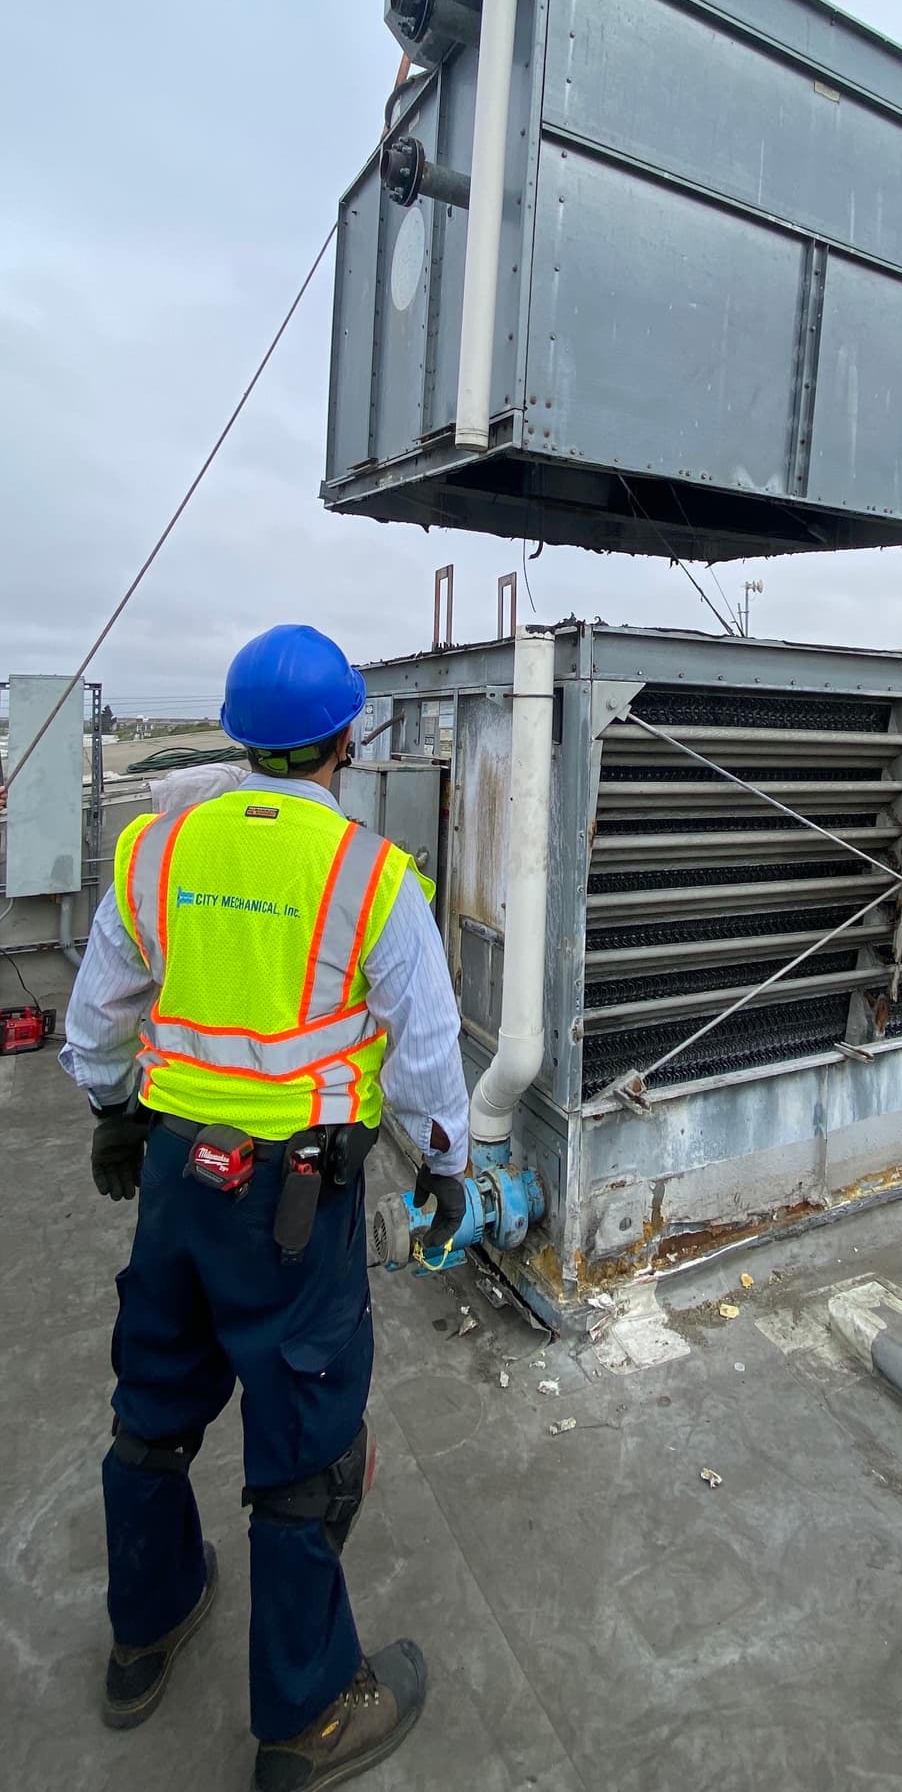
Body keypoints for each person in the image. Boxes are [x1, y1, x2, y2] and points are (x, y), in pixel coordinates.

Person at [59, 624, 470, 1791]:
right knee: (305, 1448)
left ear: (241, 736)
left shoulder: (157, 850)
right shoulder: (367, 876)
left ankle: (145, 1633)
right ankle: (307, 1717)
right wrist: (444, 1164)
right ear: (347, 740)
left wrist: (114, 1112)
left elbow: (96, 1020)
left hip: (175, 1184)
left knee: (153, 1404)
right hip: (292, 1201)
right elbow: (426, 1046)